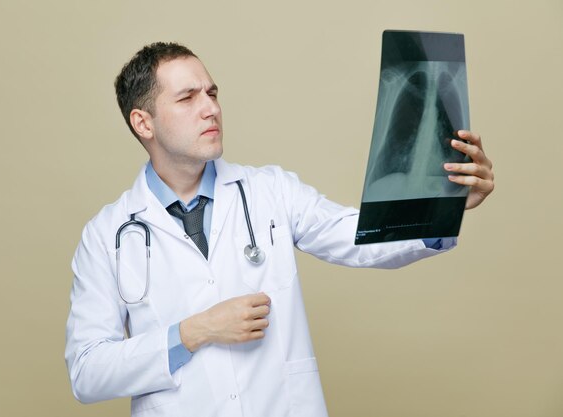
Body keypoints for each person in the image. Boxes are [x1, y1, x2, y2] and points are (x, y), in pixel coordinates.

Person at [65, 42, 494, 417]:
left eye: (212, 93)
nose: (211, 107)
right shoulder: (107, 235)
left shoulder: (271, 191)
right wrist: (195, 331)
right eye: (187, 97)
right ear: (144, 123)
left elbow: (358, 238)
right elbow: (87, 372)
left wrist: (444, 207)